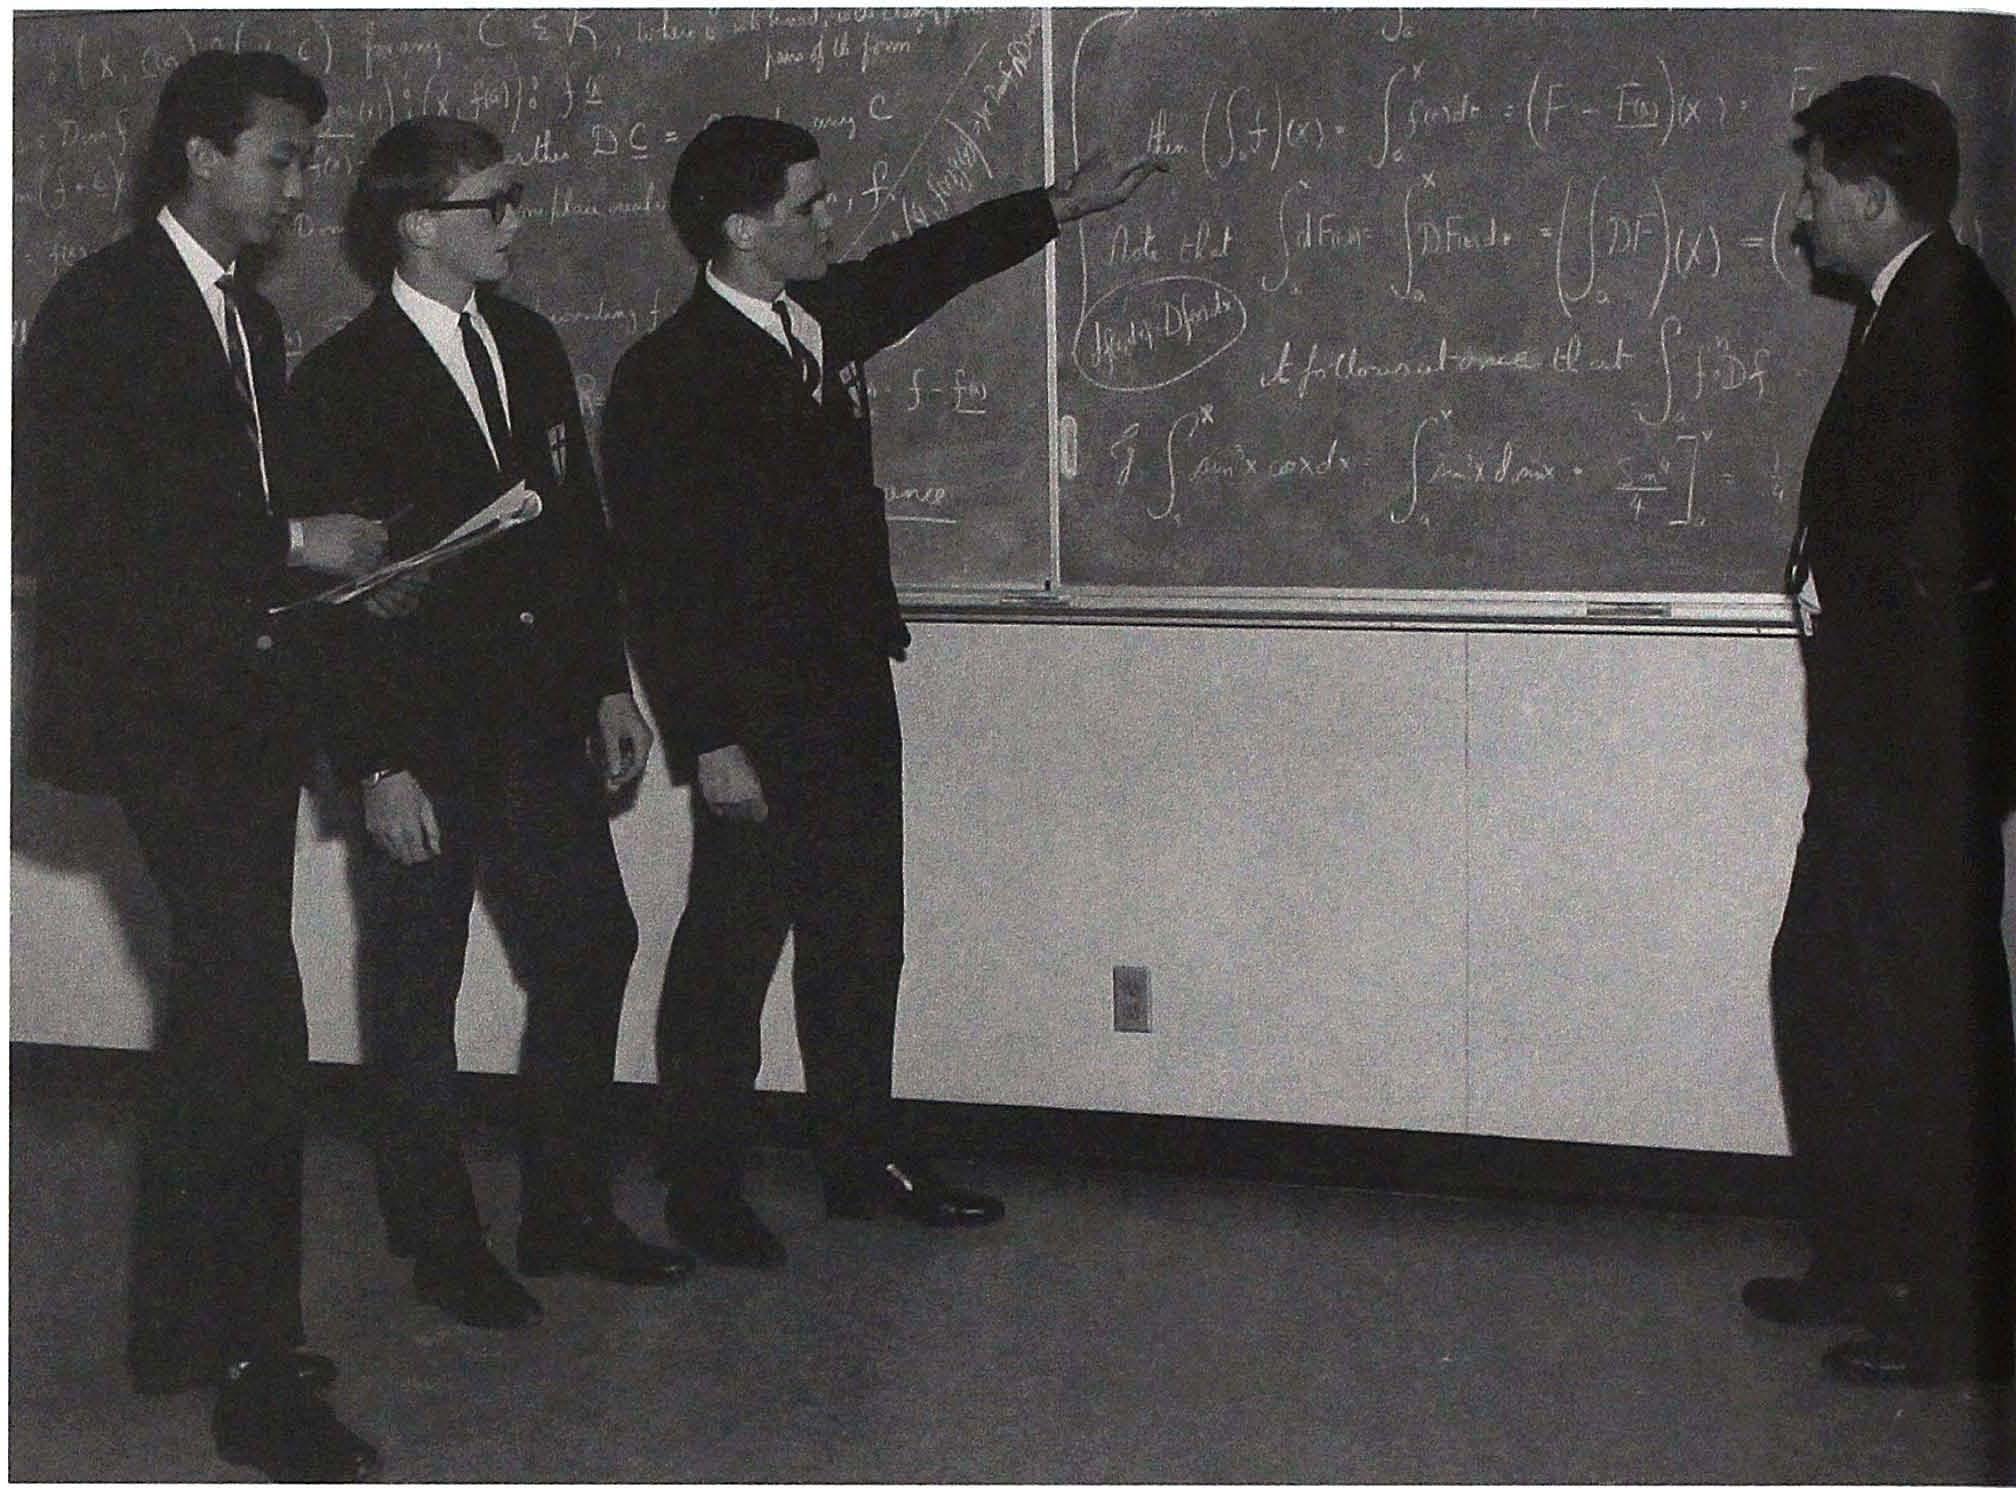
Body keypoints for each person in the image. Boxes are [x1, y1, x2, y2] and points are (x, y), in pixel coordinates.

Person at [602, 116, 1163, 1267]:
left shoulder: (814, 317)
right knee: (733, 951)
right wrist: (708, 738)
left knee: (861, 938)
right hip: (752, 715)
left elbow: (927, 264)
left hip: (849, 685)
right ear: (743, 227)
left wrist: (1060, 202)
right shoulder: (672, 374)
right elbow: (661, 580)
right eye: (806, 206)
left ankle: (861, 1160)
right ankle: (705, 1185)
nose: (829, 221)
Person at [16, 50, 386, 1479]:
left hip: (234, 710)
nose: (300, 188)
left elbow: (222, 517)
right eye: (281, 158)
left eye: (305, 161)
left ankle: (180, 1326)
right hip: (159, 718)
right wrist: (291, 543)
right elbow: (85, 529)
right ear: (201, 158)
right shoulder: (104, 308)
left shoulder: (249, 318)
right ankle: (255, 1366)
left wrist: (339, 566)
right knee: (256, 1025)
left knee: (217, 1020)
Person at [286, 117, 691, 1330]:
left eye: (513, 196)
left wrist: (609, 682)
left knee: (591, 944)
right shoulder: (340, 380)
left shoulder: (528, 342)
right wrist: (375, 764)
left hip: (538, 724)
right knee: (418, 986)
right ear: (418, 224)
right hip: (418, 741)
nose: (515, 221)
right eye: (492, 202)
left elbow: (577, 533)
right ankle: (442, 1241)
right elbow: (328, 604)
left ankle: (566, 1208)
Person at [1745, 75, 2014, 1387]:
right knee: (1826, 986)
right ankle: (1863, 1256)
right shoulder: (1902, 308)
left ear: (1870, 194)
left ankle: (1968, 1313)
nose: (1802, 214)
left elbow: (1953, 547)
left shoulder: (1954, 320)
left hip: (1918, 745)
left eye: (1814, 188)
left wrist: (1846, 590)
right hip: (1874, 745)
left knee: (1935, 1022)